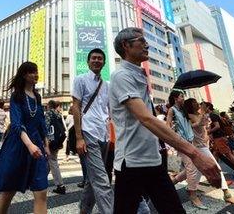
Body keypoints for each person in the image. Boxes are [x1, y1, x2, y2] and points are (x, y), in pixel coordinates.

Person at [109, 27, 221, 213]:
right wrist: (194, 153)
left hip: (152, 159)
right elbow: (146, 118)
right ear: (125, 46)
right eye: (141, 40)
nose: (147, 44)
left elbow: (149, 118)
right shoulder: (121, 75)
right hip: (132, 162)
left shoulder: (137, 73)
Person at [0, 62, 50, 214]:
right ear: (24, 75)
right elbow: (17, 123)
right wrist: (29, 145)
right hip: (18, 145)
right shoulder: (16, 96)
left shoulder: (37, 96)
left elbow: (41, 122)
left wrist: (46, 145)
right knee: (9, 189)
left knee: (41, 191)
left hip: (36, 145)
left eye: (36, 71)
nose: (35, 74)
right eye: (31, 72)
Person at [72, 48, 114, 214]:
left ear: (103, 63)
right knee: (103, 179)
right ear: (88, 61)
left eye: (100, 58)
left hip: (103, 134)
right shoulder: (80, 80)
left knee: (93, 177)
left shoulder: (107, 85)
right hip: (88, 131)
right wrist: (79, 138)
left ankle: (84, 210)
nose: (97, 60)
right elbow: (76, 107)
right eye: (94, 58)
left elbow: (110, 110)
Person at [184, 99, 234, 205]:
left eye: (197, 102)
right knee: (214, 168)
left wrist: (205, 120)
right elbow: (195, 125)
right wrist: (202, 119)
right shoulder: (189, 116)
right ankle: (226, 194)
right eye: (194, 103)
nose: (197, 104)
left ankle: (186, 188)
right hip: (197, 147)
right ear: (190, 105)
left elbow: (205, 127)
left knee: (194, 172)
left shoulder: (200, 114)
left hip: (203, 146)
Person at [166, 90, 205, 209]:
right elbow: (167, 126)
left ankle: (171, 183)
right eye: (181, 96)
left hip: (190, 141)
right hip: (181, 142)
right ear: (175, 98)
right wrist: (174, 130)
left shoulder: (184, 111)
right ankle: (192, 194)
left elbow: (193, 124)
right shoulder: (172, 110)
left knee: (192, 167)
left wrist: (202, 114)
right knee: (191, 168)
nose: (183, 98)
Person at [205, 102, 234, 179]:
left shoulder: (212, 115)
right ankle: (216, 173)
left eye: (202, 106)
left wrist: (208, 132)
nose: (201, 108)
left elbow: (217, 126)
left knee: (228, 154)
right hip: (217, 138)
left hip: (219, 138)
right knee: (215, 154)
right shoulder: (212, 115)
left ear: (208, 107)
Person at [45, 100, 66, 194]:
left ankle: (60, 185)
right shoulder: (58, 114)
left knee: (52, 161)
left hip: (51, 141)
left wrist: (45, 142)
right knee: (50, 160)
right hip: (58, 140)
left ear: (49, 106)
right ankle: (41, 180)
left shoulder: (49, 113)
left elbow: (46, 127)